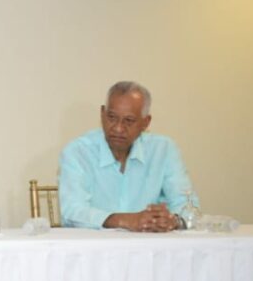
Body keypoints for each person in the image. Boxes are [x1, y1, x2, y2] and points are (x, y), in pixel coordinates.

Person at [58, 81, 195, 232]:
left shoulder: (164, 150)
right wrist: (126, 220)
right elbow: (72, 211)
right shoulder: (78, 152)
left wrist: (173, 220)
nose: (118, 128)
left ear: (145, 122)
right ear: (102, 114)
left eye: (129, 121)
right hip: (95, 245)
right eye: (112, 117)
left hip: (149, 243)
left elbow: (188, 205)